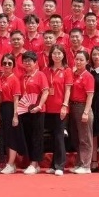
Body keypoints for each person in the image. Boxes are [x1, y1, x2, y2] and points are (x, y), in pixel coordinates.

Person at [17, 51, 50, 175]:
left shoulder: (40, 75)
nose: (27, 63)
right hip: (25, 110)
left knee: (37, 137)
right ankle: (33, 163)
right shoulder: (22, 77)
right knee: (28, 136)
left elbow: (45, 91)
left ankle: (34, 162)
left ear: (35, 62)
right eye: (25, 61)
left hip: (38, 110)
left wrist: (39, 105)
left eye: (30, 61)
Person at [42, 45, 70, 175]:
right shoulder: (46, 70)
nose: (57, 56)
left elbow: (68, 90)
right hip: (48, 108)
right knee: (52, 137)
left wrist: (65, 105)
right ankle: (53, 165)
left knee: (59, 137)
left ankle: (60, 165)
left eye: (59, 53)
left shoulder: (67, 70)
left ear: (63, 55)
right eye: (54, 53)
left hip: (60, 108)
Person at [65, 50, 95, 174]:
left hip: (83, 107)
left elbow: (90, 96)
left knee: (85, 138)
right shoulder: (73, 74)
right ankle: (79, 163)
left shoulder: (88, 76)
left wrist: (86, 112)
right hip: (73, 106)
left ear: (87, 61)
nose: (78, 62)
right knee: (76, 137)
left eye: (81, 60)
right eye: (77, 59)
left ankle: (86, 165)